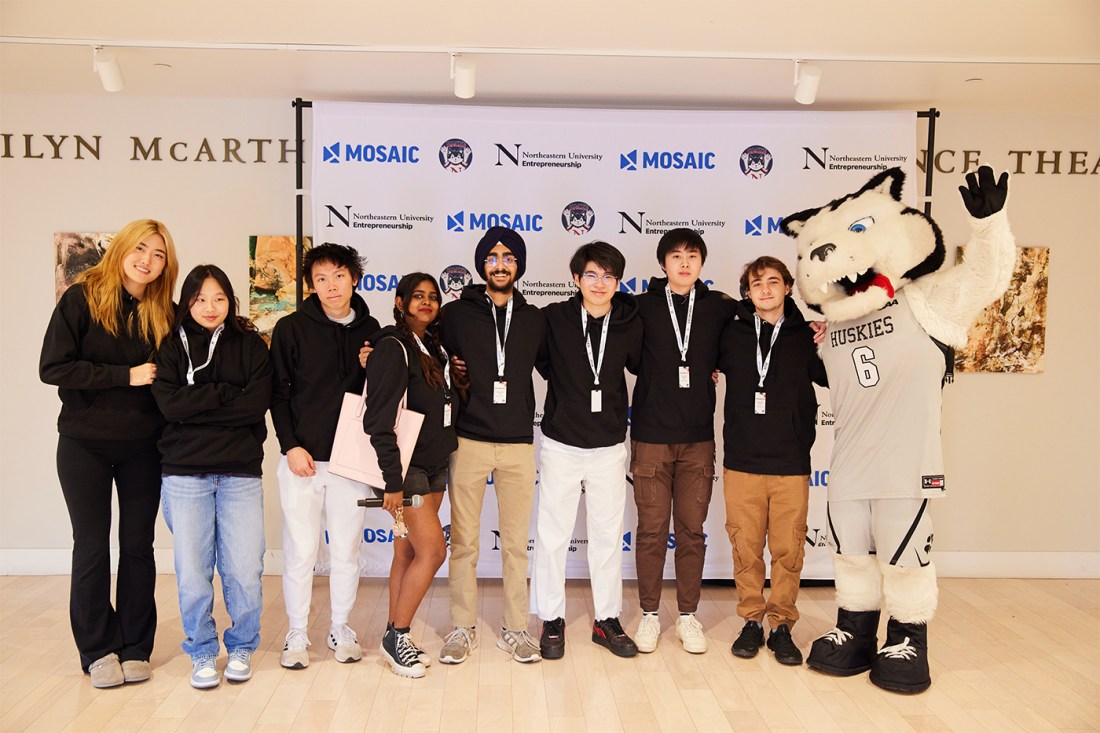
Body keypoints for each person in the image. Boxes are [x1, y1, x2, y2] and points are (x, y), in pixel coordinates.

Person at [40, 219, 179, 688]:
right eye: (140, 248)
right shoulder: (82, 299)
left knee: (138, 548)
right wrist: (125, 376)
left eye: (158, 254)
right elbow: (53, 367)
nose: (147, 260)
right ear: (121, 249)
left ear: (166, 265)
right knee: (93, 547)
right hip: (84, 445)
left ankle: (136, 645)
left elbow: (199, 348)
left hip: (145, 447)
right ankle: (98, 650)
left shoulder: (165, 311)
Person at [151, 265, 272, 688]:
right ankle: (202, 652)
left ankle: (240, 646)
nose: (210, 307)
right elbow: (169, 406)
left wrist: (196, 404)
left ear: (230, 301)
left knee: (243, 569)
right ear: (187, 302)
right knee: (192, 573)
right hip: (185, 476)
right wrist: (223, 393)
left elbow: (254, 407)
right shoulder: (168, 346)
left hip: (239, 474)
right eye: (200, 299)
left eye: (219, 298)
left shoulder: (252, 347)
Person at [437, 226, 546, 665]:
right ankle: (462, 627)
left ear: (518, 266)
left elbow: (567, 363)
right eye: (492, 257)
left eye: (509, 257)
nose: (500, 264)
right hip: (469, 439)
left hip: (519, 442)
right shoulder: (455, 315)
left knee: (517, 543)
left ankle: (515, 628)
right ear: (482, 264)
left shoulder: (535, 318)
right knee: (464, 542)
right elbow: (424, 354)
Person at [269, 243, 381, 669]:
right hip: (302, 459)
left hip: (351, 461)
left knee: (347, 552)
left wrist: (376, 367)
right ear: (310, 285)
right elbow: (277, 394)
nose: (331, 286)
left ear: (354, 277)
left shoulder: (374, 329)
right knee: (300, 550)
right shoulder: (291, 328)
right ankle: (297, 632)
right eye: (320, 279)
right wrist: (290, 445)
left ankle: (340, 627)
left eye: (338, 276)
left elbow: (384, 397)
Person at [532, 241, 643, 660]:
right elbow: (542, 362)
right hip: (561, 443)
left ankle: (607, 619)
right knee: (552, 536)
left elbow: (641, 364)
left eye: (609, 276)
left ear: (619, 282)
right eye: (592, 275)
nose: (600, 283)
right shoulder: (554, 318)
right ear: (576, 279)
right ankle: (552, 618)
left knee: (607, 538)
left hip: (610, 445)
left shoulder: (630, 320)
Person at [629, 228, 735, 654]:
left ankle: (688, 615)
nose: (685, 263)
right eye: (676, 256)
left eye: (693, 256)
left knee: (691, 531)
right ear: (662, 264)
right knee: (652, 532)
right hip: (652, 436)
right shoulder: (638, 307)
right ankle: (651, 614)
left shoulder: (719, 308)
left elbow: (768, 322)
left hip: (697, 439)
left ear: (702, 264)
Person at [718, 256, 828, 665]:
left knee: (788, 551)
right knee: (745, 549)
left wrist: (830, 335)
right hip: (742, 460)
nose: (765, 289)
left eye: (773, 281)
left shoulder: (808, 335)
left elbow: (831, 376)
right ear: (747, 292)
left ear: (787, 288)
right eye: (756, 283)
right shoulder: (729, 334)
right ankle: (751, 620)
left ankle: (781, 624)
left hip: (791, 462)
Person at [364, 273, 460, 678]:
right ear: (400, 302)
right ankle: (398, 634)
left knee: (407, 551)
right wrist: (392, 481)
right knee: (434, 552)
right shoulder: (392, 346)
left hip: (435, 465)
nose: (426, 302)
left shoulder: (432, 346)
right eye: (417, 296)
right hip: (407, 471)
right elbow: (378, 420)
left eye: (432, 297)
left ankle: (393, 630)